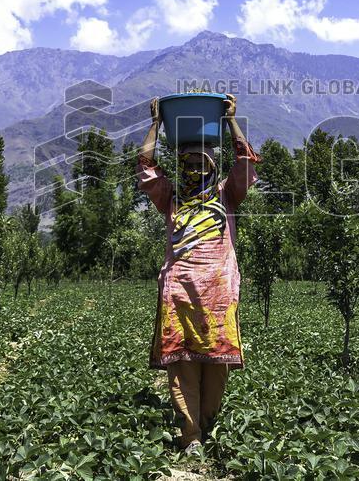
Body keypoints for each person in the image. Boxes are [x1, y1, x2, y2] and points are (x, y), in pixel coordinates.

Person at [136, 93, 261, 454]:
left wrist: (230, 121)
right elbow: (145, 166)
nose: (194, 170)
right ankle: (191, 436)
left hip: (219, 296)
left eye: (201, 163)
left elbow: (247, 162)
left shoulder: (226, 196)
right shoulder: (171, 198)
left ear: (212, 166)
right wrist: (157, 124)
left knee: (216, 364)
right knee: (183, 364)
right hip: (179, 294)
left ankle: (207, 425)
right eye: (187, 163)